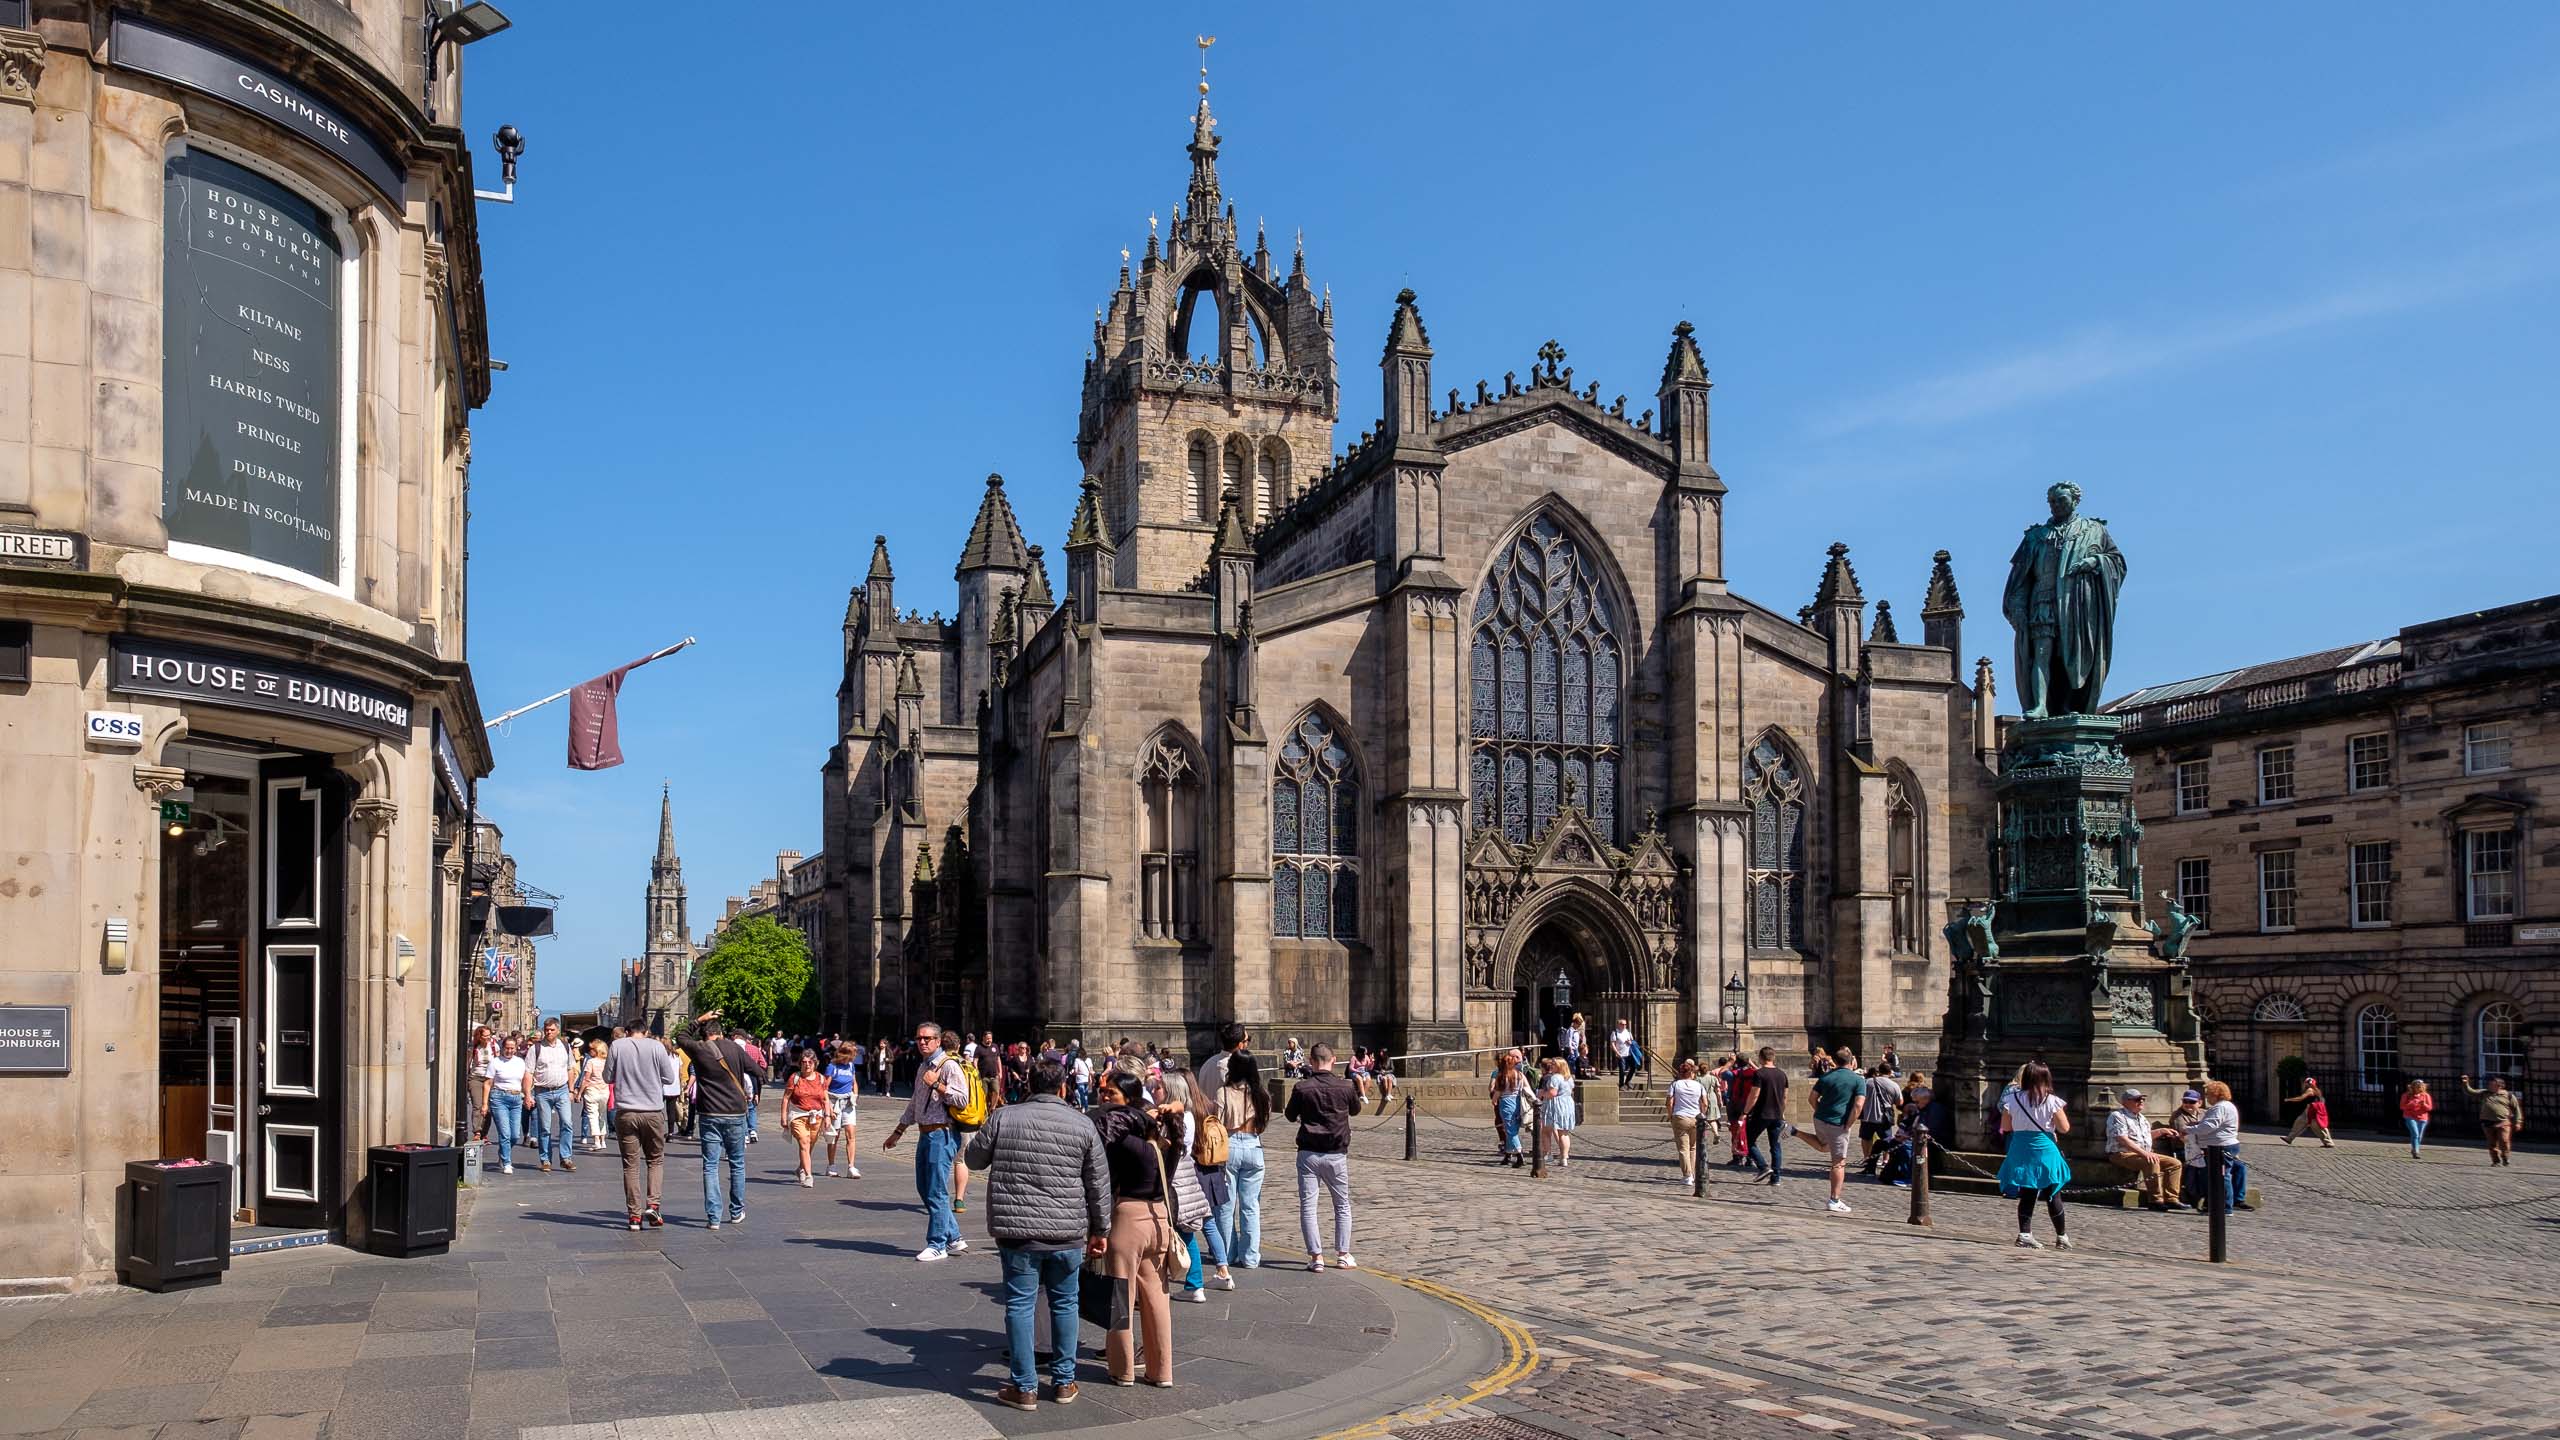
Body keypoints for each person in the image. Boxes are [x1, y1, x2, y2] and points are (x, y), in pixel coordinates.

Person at [968, 1056, 1112, 1411]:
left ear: (1029, 1085)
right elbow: (1098, 1182)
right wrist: (1101, 1228)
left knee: (1020, 1304)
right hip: (1066, 1232)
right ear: (1063, 1087)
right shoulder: (1082, 1124)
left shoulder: (1004, 1117)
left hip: (1017, 1232)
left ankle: (1024, 1387)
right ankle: (1064, 1383)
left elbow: (972, 1159)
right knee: (1065, 1304)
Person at [1095, 1069, 1178, 1388]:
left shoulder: (1123, 1141)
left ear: (1129, 1102)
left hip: (1128, 1218)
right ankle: (1162, 1371)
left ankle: (1123, 1368)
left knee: (1120, 1297)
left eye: (1111, 1094)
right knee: (1157, 1299)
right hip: (1158, 1218)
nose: (1104, 1098)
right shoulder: (1163, 1140)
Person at [884, 1021, 973, 1260]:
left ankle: (937, 1244)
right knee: (925, 1188)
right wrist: (898, 1131)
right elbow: (915, 1102)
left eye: (927, 1039)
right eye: (919, 1038)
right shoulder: (924, 1066)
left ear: (938, 1040)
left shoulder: (948, 1066)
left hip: (942, 1134)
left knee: (936, 1191)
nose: (922, 1042)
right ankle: (954, 1237)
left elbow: (962, 1099)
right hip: (926, 1133)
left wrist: (937, 1084)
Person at [676, 1011, 767, 1228]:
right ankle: (736, 1212)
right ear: (721, 1033)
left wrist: (699, 1019)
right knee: (736, 1163)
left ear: (705, 1034)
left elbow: (681, 1036)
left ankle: (713, 1217)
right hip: (735, 1112)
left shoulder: (699, 1049)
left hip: (709, 1113)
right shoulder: (734, 1048)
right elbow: (759, 1070)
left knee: (710, 1165)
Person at [1284, 1042, 1362, 1270]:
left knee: (1308, 1206)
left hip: (1308, 1153)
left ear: (1311, 1061)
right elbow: (1355, 1110)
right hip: (1336, 1154)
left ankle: (1316, 1257)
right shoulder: (1346, 1086)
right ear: (1334, 1060)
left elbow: (1289, 1115)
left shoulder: (1302, 1087)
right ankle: (1343, 1253)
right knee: (1342, 1204)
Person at [1157, 1061, 1220, 1300]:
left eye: (1160, 1088)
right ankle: (1194, 1283)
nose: (1156, 1091)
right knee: (1186, 1231)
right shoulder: (1188, 1115)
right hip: (1186, 1179)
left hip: (1178, 1182)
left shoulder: (1179, 1118)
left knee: (1185, 1232)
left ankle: (1194, 1284)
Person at [607, 1024, 679, 1229]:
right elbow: (669, 1078)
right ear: (646, 1031)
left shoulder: (617, 1046)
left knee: (630, 1165)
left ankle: (634, 1216)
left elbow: (607, 1077)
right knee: (655, 1160)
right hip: (653, 1111)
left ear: (628, 1032)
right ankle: (653, 1205)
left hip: (626, 1112)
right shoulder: (657, 1047)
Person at [1998, 1059, 2074, 1249]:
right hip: (2044, 1150)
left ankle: (2025, 1233)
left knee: (2027, 1192)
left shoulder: (2011, 1099)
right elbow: (2065, 1128)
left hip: (2021, 1148)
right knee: (2052, 1193)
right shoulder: (2051, 1101)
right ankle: (2061, 1237)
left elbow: (2005, 1127)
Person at [1216, 1050, 1270, 1269]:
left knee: (1226, 1206)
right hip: (1253, 1144)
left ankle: (1227, 1254)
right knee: (1251, 1206)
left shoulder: (1224, 1092)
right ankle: (1249, 1256)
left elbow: (1217, 1123)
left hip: (1229, 1145)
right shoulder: (1261, 1094)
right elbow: (1263, 1124)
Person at [2176, 1080, 2250, 1211]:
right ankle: (2216, 1204)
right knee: (2218, 1175)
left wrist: (2188, 1130)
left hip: (2220, 1146)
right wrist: (2196, 1125)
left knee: (2222, 1176)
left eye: (2208, 1094)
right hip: (2223, 1144)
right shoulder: (2227, 1106)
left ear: (2216, 1094)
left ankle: (2225, 1207)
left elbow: (2209, 1126)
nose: (2207, 1097)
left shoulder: (2220, 1107)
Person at [2104, 1089, 2184, 1211]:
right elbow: (2122, 1139)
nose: (2141, 1101)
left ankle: (2171, 1199)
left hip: (2141, 1153)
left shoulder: (2142, 1118)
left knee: (2174, 1163)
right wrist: (2144, 1153)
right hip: (2121, 1154)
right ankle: (2155, 1200)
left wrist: (2161, 1131)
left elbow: (2144, 1136)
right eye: (2137, 1099)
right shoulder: (2117, 1116)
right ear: (2126, 1102)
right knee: (2151, 1161)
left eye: (2142, 1099)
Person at [1810, 1047, 1867, 1214]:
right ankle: (1834, 1200)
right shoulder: (1858, 1080)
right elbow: (1858, 1105)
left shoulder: (1826, 1076)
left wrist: (1819, 1111)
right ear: (1852, 1061)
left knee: (1823, 1145)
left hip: (1820, 1119)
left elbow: (1812, 1098)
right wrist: (1849, 1124)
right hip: (1839, 1123)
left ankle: (1796, 1132)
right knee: (1839, 1162)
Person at [527, 1020, 577, 1174]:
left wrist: (571, 1090)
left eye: (552, 1030)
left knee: (567, 1123)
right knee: (545, 1127)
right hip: (543, 1091)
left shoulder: (565, 1046)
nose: (549, 1032)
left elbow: (570, 1068)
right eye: (546, 1030)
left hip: (562, 1089)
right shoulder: (536, 1048)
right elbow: (528, 1072)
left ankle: (566, 1157)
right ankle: (545, 1159)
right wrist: (528, 1094)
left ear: (558, 1030)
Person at [783, 1047, 831, 1187]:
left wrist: (827, 1116)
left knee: (810, 1144)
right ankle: (809, 1176)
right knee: (804, 1142)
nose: (807, 1065)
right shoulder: (795, 1078)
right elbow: (786, 1098)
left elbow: (825, 1099)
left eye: (810, 1062)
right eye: (804, 1062)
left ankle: (801, 1168)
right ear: (800, 1063)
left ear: (815, 1063)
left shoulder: (821, 1079)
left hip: (816, 1116)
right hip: (798, 1114)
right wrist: (784, 1117)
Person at [1666, 1058, 1717, 1187]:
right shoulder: (1698, 1085)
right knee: (1693, 1148)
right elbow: (1705, 1103)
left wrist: (1670, 1115)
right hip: (1695, 1118)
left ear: (1680, 1073)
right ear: (1692, 1073)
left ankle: (1687, 1175)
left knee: (1683, 1148)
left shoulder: (1675, 1085)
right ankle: (1693, 1174)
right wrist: (1702, 1115)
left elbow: (1669, 1102)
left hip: (1680, 1116)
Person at [1744, 1046, 1790, 1185]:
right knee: (1775, 1146)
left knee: (1748, 1141)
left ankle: (1763, 1167)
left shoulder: (1760, 1074)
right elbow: (1785, 1096)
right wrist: (1782, 1112)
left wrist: (1745, 1112)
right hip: (1777, 1114)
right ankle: (1776, 1178)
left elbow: (1754, 1095)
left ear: (1761, 1057)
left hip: (1762, 1113)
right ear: (1773, 1057)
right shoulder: (1782, 1074)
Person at [485, 1034, 528, 1175]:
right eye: (507, 1048)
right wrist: (485, 1104)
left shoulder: (520, 1062)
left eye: (512, 1048)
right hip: (499, 1097)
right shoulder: (495, 1062)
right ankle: (507, 1163)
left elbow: (526, 1079)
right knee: (505, 1133)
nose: (509, 1051)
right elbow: (488, 1083)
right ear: (502, 1048)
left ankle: (503, 1152)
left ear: (516, 1049)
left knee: (515, 1135)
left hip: (516, 1098)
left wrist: (528, 1095)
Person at [2461, 1075, 2525, 1165]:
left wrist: (2518, 1122)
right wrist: (2466, 1083)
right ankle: (2496, 1161)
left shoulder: (2508, 1095)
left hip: (2503, 1122)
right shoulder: (2484, 1093)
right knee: (2492, 1143)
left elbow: (2516, 1109)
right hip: (2487, 1122)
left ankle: (2505, 1157)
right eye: (2489, 1084)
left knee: (2504, 1141)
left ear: (2499, 1086)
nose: (2489, 1086)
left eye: (2492, 1084)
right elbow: (2470, 1092)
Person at [822, 1043, 864, 1178]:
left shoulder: (851, 1066)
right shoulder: (832, 1067)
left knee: (850, 1133)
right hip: (834, 1101)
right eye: (851, 1055)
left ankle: (851, 1166)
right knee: (835, 1135)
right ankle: (831, 1165)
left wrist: (855, 1095)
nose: (853, 1058)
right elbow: (824, 1088)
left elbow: (854, 1082)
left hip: (848, 1102)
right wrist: (828, 1108)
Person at [1858, 1065, 1903, 1177]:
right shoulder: (1894, 1085)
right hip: (1884, 1117)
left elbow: (1859, 1097)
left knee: (1866, 1138)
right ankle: (1886, 1160)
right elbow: (1899, 1103)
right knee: (1886, 1139)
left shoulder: (1867, 1082)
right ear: (1890, 1072)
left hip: (1868, 1115)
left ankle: (1867, 1159)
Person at [1490, 1049, 1530, 1167]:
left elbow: (1497, 1092)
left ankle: (1519, 1155)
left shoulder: (1502, 1076)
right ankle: (1508, 1154)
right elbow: (1527, 1088)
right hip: (1517, 1102)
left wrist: (1494, 1100)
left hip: (1506, 1103)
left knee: (1510, 1131)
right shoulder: (1520, 1075)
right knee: (1511, 1129)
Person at [1537, 1054, 1577, 1170]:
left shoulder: (1555, 1077)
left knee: (1546, 1131)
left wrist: (1542, 1094)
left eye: (1554, 1064)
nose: (1551, 1065)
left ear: (1559, 1066)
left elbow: (1552, 1093)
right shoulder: (1569, 1078)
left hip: (1555, 1105)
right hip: (1567, 1104)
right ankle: (1564, 1157)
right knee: (1563, 1132)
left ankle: (1547, 1154)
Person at [576, 1038, 610, 1154]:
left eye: (591, 1049)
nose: (590, 1051)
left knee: (592, 1116)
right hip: (604, 1091)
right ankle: (603, 1140)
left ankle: (596, 1141)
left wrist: (579, 1093)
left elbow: (586, 1079)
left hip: (592, 1091)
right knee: (601, 1115)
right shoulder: (607, 1062)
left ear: (596, 1050)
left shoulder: (591, 1062)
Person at [2281, 1076, 2335, 1147]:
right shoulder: (2317, 1090)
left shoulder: (2310, 1090)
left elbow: (2301, 1098)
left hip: (2312, 1109)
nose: (2304, 1085)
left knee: (2316, 1125)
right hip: (2314, 1109)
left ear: (2306, 1083)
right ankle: (2289, 1138)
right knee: (2300, 1122)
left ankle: (2329, 1142)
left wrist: (2289, 1100)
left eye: (2305, 1083)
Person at [468, 1025, 496, 1142]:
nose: (488, 1038)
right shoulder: (473, 1047)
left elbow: (498, 1061)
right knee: (478, 1105)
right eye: (485, 1036)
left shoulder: (494, 1046)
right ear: (479, 1037)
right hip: (476, 1078)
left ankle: (484, 1133)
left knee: (488, 1108)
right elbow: (467, 1063)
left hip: (490, 1079)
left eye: (489, 1035)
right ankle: (477, 1132)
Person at [2400, 1078, 2435, 1159]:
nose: (2419, 1088)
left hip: (2422, 1118)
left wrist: (2424, 1104)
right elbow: (2402, 1107)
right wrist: (2412, 1103)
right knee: (2415, 1133)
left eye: (2421, 1086)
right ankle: (2416, 1151)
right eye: (2417, 1086)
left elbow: (2429, 1108)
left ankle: (2414, 1149)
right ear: (2413, 1087)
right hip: (2410, 1116)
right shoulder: (2406, 1095)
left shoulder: (2426, 1096)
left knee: (2419, 1136)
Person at [1611, 1019, 1638, 1088]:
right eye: (1622, 1024)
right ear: (1618, 1024)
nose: (1624, 1026)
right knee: (1622, 1070)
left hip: (1629, 1053)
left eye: (1625, 1024)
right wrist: (1617, 1052)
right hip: (1621, 1054)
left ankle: (1627, 1081)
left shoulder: (1628, 1031)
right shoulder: (1615, 1033)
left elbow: (1632, 1041)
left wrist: (1630, 1042)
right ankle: (1621, 1085)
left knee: (1633, 1067)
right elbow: (1612, 1044)